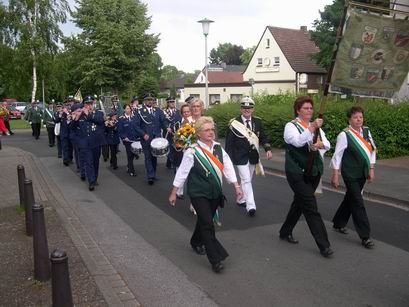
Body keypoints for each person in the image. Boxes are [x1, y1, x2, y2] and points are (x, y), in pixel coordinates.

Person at [168, 116, 243, 273]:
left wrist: (236, 186)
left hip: (215, 192)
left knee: (204, 220)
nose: (211, 132)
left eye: (212, 129)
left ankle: (196, 241)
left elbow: (228, 167)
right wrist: (174, 192)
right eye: (206, 130)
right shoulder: (192, 151)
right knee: (208, 224)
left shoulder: (218, 148)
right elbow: (182, 172)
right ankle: (215, 259)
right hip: (198, 193)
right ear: (199, 133)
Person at [279, 96, 333, 258]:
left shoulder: (315, 126)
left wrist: (320, 144)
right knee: (310, 206)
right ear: (298, 110)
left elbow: (328, 143)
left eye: (311, 108)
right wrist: (311, 129)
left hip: (313, 171)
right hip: (296, 171)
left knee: (299, 203)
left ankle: (285, 231)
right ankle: (324, 245)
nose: (309, 111)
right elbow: (296, 142)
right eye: (306, 108)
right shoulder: (291, 126)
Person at [330, 106, 376, 249]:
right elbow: (337, 155)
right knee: (358, 202)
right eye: (355, 117)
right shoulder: (344, 135)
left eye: (361, 117)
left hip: (362, 172)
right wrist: (335, 174)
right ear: (349, 119)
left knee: (350, 198)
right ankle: (365, 236)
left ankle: (338, 222)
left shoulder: (367, 132)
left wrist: (371, 169)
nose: (359, 120)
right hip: (349, 173)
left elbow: (372, 150)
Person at [225, 96, 273, 216]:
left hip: (253, 156)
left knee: (247, 179)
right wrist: (227, 159)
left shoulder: (258, 121)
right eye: (244, 107)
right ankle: (250, 205)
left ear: (253, 109)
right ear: (241, 109)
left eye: (249, 108)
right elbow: (229, 142)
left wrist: (268, 149)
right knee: (246, 180)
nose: (247, 110)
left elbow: (264, 137)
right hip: (239, 156)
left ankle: (240, 199)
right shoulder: (234, 123)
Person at [135, 93, 171, 185]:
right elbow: (135, 126)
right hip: (146, 138)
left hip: (156, 138)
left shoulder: (158, 110)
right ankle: (150, 176)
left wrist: (167, 127)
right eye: (148, 100)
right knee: (148, 157)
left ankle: (153, 174)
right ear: (144, 101)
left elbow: (163, 121)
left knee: (154, 157)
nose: (150, 101)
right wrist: (143, 134)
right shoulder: (139, 111)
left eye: (151, 99)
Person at [71, 96, 104, 191]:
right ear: (84, 104)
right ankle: (91, 181)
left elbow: (99, 121)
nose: (89, 106)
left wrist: (88, 115)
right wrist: (75, 118)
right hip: (85, 143)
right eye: (87, 104)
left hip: (96, 142)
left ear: (93, 104)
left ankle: (95, 177)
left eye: (90, 104)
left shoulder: (98, 113)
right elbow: (73, 128)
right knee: (88, 162)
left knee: (95, 161)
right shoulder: (80, 114)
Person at [118, 104, 140, 176]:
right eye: (127, 109)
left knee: (134, 154)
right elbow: (120, 131)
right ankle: (132, 171)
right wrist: (124, 137)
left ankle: (128, 166)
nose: (128, 110)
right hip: (127, 140)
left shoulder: (134, 117)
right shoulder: (121, 119)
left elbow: (137, 127)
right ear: (124, 110)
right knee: (130, 155)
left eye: (129, 108)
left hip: (135, 139)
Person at [163, 96, 182, 169]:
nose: (172, 103)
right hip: (167, 133)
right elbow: (162, 121)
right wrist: (166, 127)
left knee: (175, 149)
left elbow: (180, 121)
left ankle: (171, 163)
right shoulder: (164, 111)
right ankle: (171, 161)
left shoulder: (178, 111)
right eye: (170, 102)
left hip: (176, 133)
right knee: (169, 148)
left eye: (173, 101)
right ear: (167, 103)